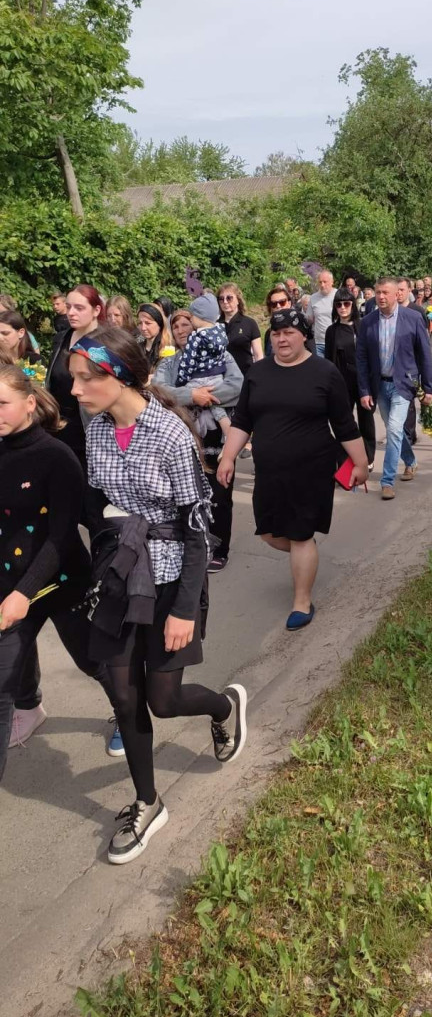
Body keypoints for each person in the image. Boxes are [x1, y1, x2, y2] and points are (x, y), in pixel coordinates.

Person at [68, 326, 247, 864]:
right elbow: (95, 500)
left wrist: (185, 609)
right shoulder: (97, 432)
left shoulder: (170, 434)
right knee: (123, 697)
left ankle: (225, 707)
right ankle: (148, 802)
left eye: (85, 378)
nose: (75, 389)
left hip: (171, 583)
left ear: (120, 376)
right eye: (74, 378)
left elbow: (197, 529)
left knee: (163, 702)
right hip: (121, 575)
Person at [217, 309, 368, 630]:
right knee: (269, 533)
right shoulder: (258, 372)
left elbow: (344, 425)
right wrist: (228, 457)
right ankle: (306, 551)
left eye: (289, 333)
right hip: (269, 471)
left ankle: (302, 601)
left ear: (303, 336)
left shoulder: (324, 372)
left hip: (311, 469)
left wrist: (360, 463)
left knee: (300, 533)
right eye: (276, 333)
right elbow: (242, 420)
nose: (282, 339)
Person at [0, 365, 115, 775]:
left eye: (2, 403)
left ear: (30, 403)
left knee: (92, 662)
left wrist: (24, 592)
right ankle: (30, 708)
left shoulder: (57, 457)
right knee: (3, 680)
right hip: (12, 582)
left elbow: (62, 536)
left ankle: (129, 712)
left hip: (63, 582)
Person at [154, 311, 244, 574]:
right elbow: (159, 391)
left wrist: (207, 396)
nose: (182, 329)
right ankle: (194, 546)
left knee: (220, 494)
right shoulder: (169, 363)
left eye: (187, 324)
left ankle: (220, 548)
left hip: (217, 437)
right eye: (176, 326)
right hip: (184, 436)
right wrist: (192, 395)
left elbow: (237, 385)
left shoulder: (220, 354)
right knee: (187, 495)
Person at [356, 277, 432, 499]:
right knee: (395, 430)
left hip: (403, 384)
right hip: (379, 385)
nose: (381, 297)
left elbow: (424, 354)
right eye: (378, 292)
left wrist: (429, 387)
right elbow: (361, 358)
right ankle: (410, 461)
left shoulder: (413, 318)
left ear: (396, 294)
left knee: (392, 429)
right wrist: (364, 390)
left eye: (386, 293)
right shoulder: (368, 322)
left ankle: (387, 480)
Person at [46, 284, 105, 474]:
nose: (71, 313)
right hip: (57, 426)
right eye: (69, 306)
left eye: (79, 308)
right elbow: (52, 380)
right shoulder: (61, 339)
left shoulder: (106, 343)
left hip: (91, 428)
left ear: (96, 310)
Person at [324, 288, 376, 468]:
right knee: (344, 421)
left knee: (366, 419)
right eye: (338, 304)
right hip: (342, 381)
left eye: (346, 304)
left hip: (363, 381)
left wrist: (370, 383)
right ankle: (348, 459)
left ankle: (368, 457)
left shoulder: (363, 326)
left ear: (353, 305)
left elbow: (371, 355)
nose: (343, 308)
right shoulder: (332, 331)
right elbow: (329, 360)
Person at [174, 293, 231, 440]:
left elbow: (188, 362)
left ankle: (189, 433)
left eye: (192, 317)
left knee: (185, 399)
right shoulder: (221, 331)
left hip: (199, 378)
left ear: (201, 317)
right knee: (218, 409)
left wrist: (181, 380)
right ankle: (229, 434)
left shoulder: (196, 337)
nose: (191, 319)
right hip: (217, 378)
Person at [396, 278, 429, 447]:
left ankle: (409, 435)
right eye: (397, 290)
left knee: (409, 400)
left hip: (413, 365)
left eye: (402, 289)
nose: (399, 293)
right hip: (395, 366)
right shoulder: (390, 311)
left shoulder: (417, 312)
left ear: (409, 290)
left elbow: (424, 340)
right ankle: (404, 434)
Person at [217, 283, 263, 375]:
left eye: (229, 298)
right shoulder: (215, 326)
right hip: (221, 378)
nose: (225, 302)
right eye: (221, 299)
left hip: (245, 375)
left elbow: (258, 355)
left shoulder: (249, 323)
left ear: (238, 300)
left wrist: (259, 376)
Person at [305, 269, 336, 357]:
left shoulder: (338, 295)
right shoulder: (313, 298)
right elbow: (309, 319)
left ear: (332, 282)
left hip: (335, 341)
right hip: (319, 342)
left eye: (325, 282)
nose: (322, 285)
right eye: (320, 282)